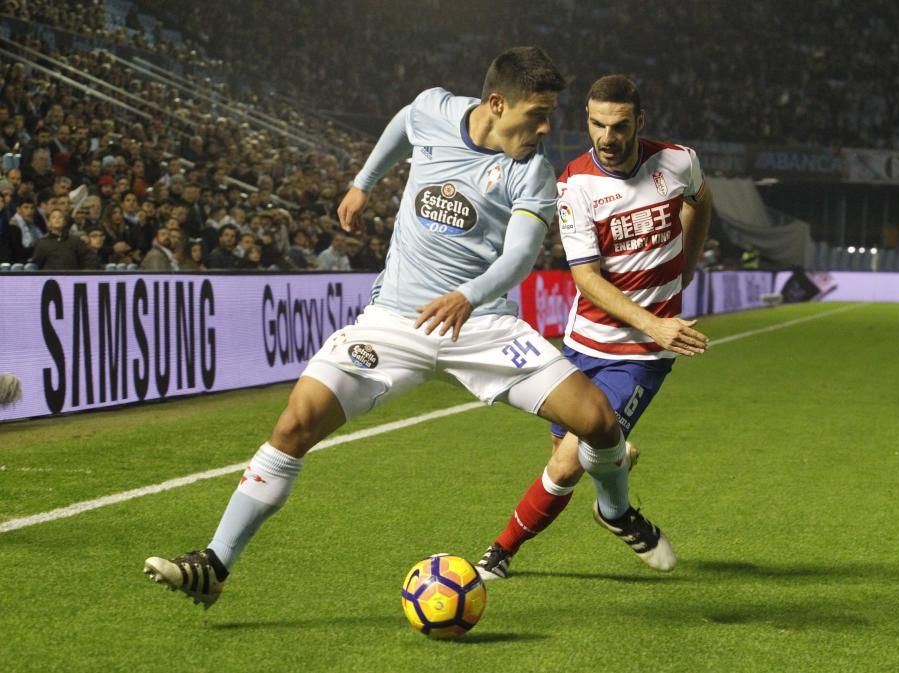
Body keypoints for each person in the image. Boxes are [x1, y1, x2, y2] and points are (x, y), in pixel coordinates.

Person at [144, 47, 680, 609]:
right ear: (496, 104)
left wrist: (467, 296)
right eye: (536, 114)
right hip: (394, 322)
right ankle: (214, 564)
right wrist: (363, 182)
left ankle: (615, 510)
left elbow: (520, 256)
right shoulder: (435, 111)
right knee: (294, 423)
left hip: (483, 326)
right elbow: (404, 121)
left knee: (597, 421)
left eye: (550, 115)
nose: (547, 128)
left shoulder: (533, 171)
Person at [475, 74, 713, 580]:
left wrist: (682, 272)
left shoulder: (678, 161)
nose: (607, 136)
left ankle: (500, 553)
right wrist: (658, 319)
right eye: (597, 124)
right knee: (580, 452)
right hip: (583, 342)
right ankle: (615, 500)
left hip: (642, 354)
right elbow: (586, 277)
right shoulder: (575, 185)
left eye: (619, 125)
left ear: (639, 123)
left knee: (568, 461)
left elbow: (701, 201)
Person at [30, 208, 100, 270]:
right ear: (49, 223)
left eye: (60, 217)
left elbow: (90, 259)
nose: (57, 219)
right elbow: (35, 265)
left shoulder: (75, 241)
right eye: (54, 217)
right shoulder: (42, 243)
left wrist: (86, 273)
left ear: (64, 222)